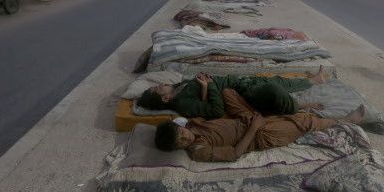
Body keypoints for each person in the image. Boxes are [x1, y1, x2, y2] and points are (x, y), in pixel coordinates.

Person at [154, 89, 366, 162]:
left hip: (243, 119)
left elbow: (212, 117)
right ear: (178, 148)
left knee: (228, 93)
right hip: (259, 135)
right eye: (181, 142)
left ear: (179, 127)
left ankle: (282, 107)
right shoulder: (198, 151)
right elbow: (235, 154)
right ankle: (345, 121)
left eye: (181, 133)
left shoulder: (190, 125)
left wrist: (205, 88)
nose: (185, 138)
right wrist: (254, 127)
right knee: (303, 121)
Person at [137, 66, 328, 119]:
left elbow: (202, 101)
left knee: (275, 80)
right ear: (165, 97)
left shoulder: (179, 89)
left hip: (238, 82)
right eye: (158, 87)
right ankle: (299, 106)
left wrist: (203, 84)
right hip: (241, 93)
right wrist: (209, 86)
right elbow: (216, 111)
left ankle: (313, 80)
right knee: (274, 90)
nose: (161, 83)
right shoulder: (181, 104)